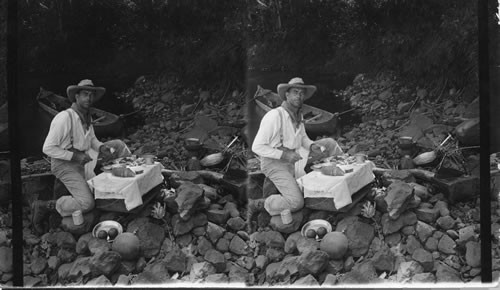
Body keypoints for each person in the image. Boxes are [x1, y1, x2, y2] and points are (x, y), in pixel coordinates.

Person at [32, 79, 131, 234]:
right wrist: (75, 157)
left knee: (117, 145)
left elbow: (91, 139)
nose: (89, 98)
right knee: (87, 204)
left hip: (83, 161)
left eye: (91, 95)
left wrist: (101, 147)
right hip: (64, 165)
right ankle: (44, 206)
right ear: (76, 97)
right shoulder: (64, 118)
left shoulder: (86, 117)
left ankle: (127, 183)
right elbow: (48, 148)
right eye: (85, 94)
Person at [251, 77, 343, 216]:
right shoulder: (274, 116)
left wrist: (312, 146)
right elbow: (256, 147)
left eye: (301, 93)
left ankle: (340, 179)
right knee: (296, 203)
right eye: (295, 92)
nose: (299, 96)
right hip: (275, 164)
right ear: (287, 95)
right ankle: (261, 204)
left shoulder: (298, 115)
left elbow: (303, 138)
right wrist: (285, 155)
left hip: (296, 157)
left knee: (330, 144)